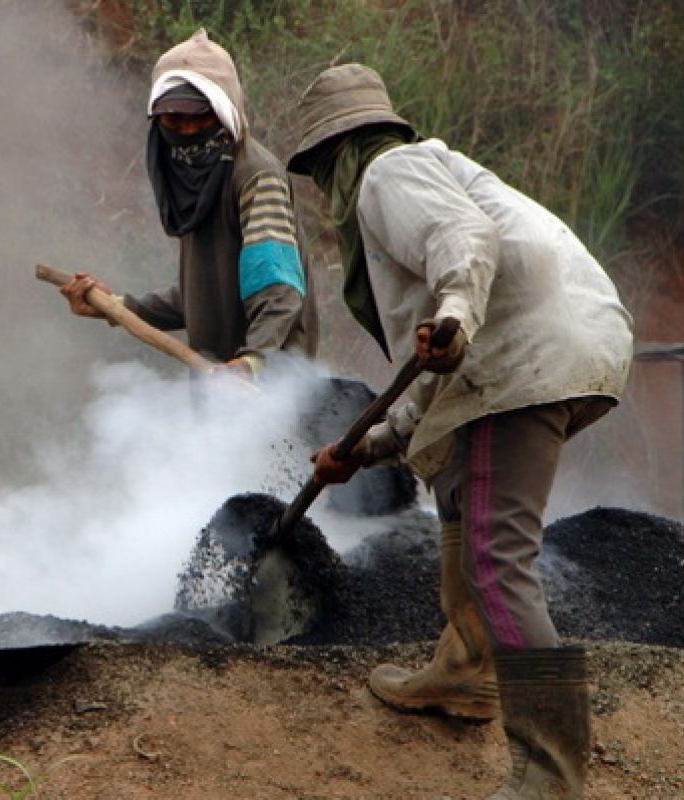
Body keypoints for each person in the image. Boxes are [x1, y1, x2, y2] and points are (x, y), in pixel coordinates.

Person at [286, 63, 633, 799]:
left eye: (320, 173)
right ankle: (465, 671)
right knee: (458, 485)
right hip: (562, 346)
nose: (326, 194)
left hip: (523, 358)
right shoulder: (439, 175)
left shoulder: (389, 173)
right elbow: (440, 385)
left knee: (496, 556)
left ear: (338, 154)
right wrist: (365, 449)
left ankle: (552, 771)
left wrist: (454, 316)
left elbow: (461, 239)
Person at [60, 29, 316, 381]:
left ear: (226, 110)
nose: (188, 129)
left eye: (201, 116)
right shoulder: (196, 175)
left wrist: (250, 363)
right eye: (175, 119)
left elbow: (278, 291)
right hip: (219, 385)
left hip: (273, 388)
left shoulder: (256, 177)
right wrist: (117, 307)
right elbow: (204, 294)